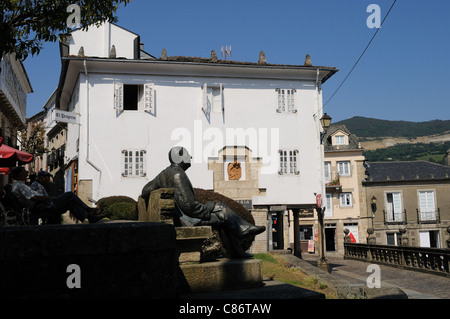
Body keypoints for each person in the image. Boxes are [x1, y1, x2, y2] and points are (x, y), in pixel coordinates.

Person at [141, 146, 266, 258]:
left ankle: (241, 236)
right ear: (179, 156)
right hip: (187, 220)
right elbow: (190, 207)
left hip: (181, 217)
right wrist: (209, 208)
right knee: (221, 211)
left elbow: (145, 190)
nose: (190, 157)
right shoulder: (178, 175)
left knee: (221, 211)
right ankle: (241, 237)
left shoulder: (164, 173)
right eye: (187, 154)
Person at [10, 166, 104, 224]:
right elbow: (34, 197)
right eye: (23, 173)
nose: (26, 175)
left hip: (41, 205)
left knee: (70, 203)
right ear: (18, 175)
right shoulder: (20, 185)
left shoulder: (19, 185)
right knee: (69, 195)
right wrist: (50, 198)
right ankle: (89, 210)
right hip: (41, 206)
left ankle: (90, 217)